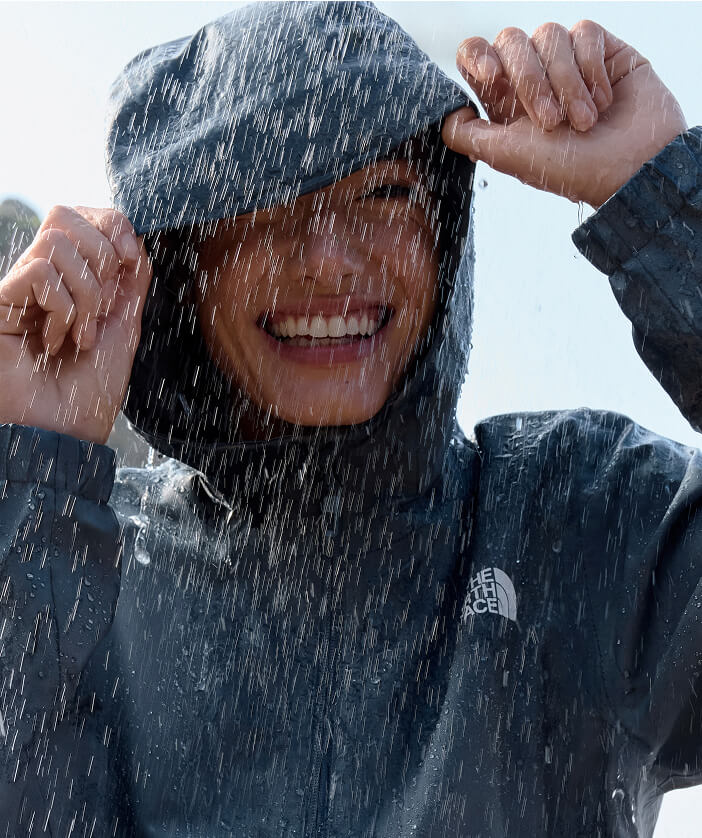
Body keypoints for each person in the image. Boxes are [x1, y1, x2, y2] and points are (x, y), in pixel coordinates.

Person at [0, 2, 699, 836]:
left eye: (381, 194)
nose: (329, 257)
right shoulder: (76, 561)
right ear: (184, 263)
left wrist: (665, 200)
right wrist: (29, 479)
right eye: (262, 199)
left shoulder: (576, 520)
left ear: (444, 237)